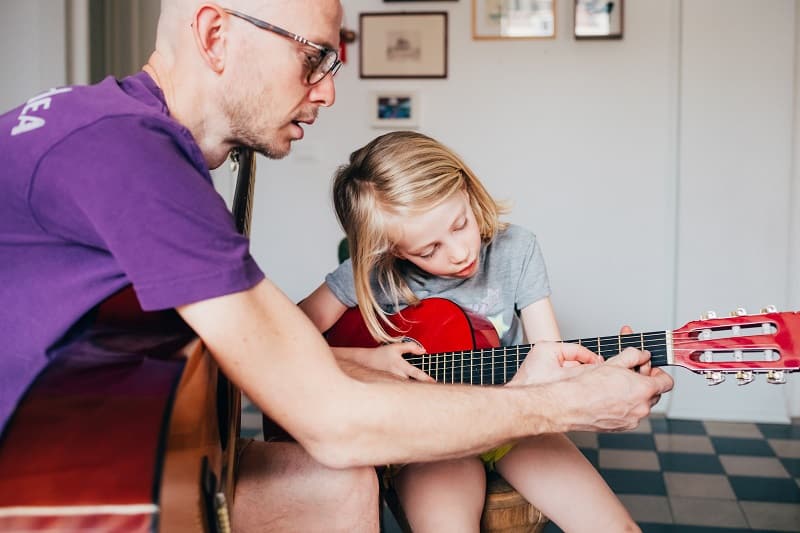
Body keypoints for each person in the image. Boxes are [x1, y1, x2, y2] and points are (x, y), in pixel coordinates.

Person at [0, 0, 673, 531]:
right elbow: (334, 421)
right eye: (314, 57)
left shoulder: (119, 135)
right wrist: (558, 402)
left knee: (339, 488)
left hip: (75, 439)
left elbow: (221, 351)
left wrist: (347, 362)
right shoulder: (129, 155)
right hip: (42, 478)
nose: (325, 92)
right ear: (214, 35)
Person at [299, 130, 639, 532]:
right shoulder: (376, 274)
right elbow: (282, 344)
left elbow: (552, 357)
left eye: (460, 225)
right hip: (428, 438)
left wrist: (603, 377)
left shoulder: (517, 249)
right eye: (429, 250)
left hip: (517, 420)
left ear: (467, 188)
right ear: (393, 251)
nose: (459, 252)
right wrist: (369, 360)